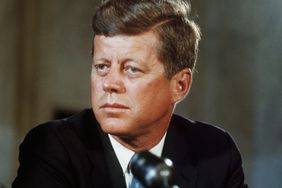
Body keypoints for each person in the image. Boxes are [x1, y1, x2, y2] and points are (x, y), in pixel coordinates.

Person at [13, 0, 248, 187]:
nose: (110, 84)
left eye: (131, 69)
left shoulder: (216, 153)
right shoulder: (54, 147)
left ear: (180, 85)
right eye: (102, 66)